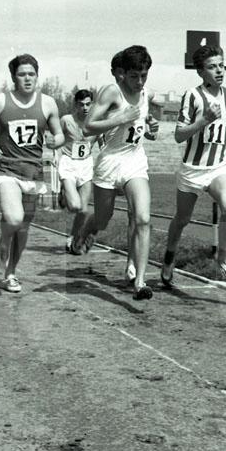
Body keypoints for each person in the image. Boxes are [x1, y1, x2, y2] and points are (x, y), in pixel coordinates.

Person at [0, 54, 65, 293]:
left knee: (23, 228)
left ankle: (10, 273)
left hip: (33, 173)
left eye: (31, 74)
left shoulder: (48, 103)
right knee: (14, 219)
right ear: (14, 77)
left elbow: (59, 134)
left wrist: (55, 141)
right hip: (7, 170)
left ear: (37, 76)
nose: (27, 78)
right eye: (22, 74)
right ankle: (4, 239)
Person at [75, 45, 154, 300]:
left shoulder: (145, 92)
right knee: (103, 220)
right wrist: (121, 118)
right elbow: (88, 127)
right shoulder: (112, 92)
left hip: (134, 161)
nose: (140, 82)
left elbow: (140, 123)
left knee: (142, 218)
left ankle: (139, 281)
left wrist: (150, 126)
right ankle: (87, 229)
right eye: (134, 76)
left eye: (144, 75)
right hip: (110, 163)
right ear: (123, 74)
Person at [160, 44, 226, 286]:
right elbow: (179, 135)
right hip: (193, 170)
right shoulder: (192, 96)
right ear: (201, 72)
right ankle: (169, 256)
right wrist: (204, 120)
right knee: (182, 219)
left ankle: (223, 259)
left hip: (217, 167)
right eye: (212, 67)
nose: (219, 71)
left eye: (221, 65)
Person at [57, 88, 99, 253]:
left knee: (83, 210)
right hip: (68, 163)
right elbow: (57, 138)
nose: (85, 108)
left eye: (88, 104)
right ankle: (64, 193)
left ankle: (73, 239)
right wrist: (56, 155)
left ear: (92, 104)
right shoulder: (66, 120)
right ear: (76, 105)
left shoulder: (96, 123)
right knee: (74, 205)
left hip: (86, 165)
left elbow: (101, 144)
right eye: (81, 104)